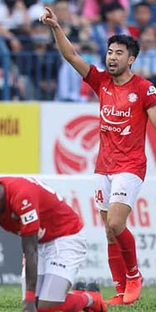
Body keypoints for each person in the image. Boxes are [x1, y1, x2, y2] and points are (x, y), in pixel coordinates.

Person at [41, 7, 156, 306]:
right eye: (109, 52)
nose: (112, 57)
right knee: (108, 232)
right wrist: (56, 27)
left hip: (130, 166)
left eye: (119, 53)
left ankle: (133, 276)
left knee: (116, 225)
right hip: (103, 166)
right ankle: (120, 289)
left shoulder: (144, 89)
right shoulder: (101, 81)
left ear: (131, 59)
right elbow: (72, 57)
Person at [0, 177, 107, 312]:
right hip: (40, 242)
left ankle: (91, 299)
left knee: (42, 306)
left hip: (65, 236)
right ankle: (78, 295)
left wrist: (29, 302)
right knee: (39, 305)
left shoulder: (22, 197)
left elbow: (30, 251)